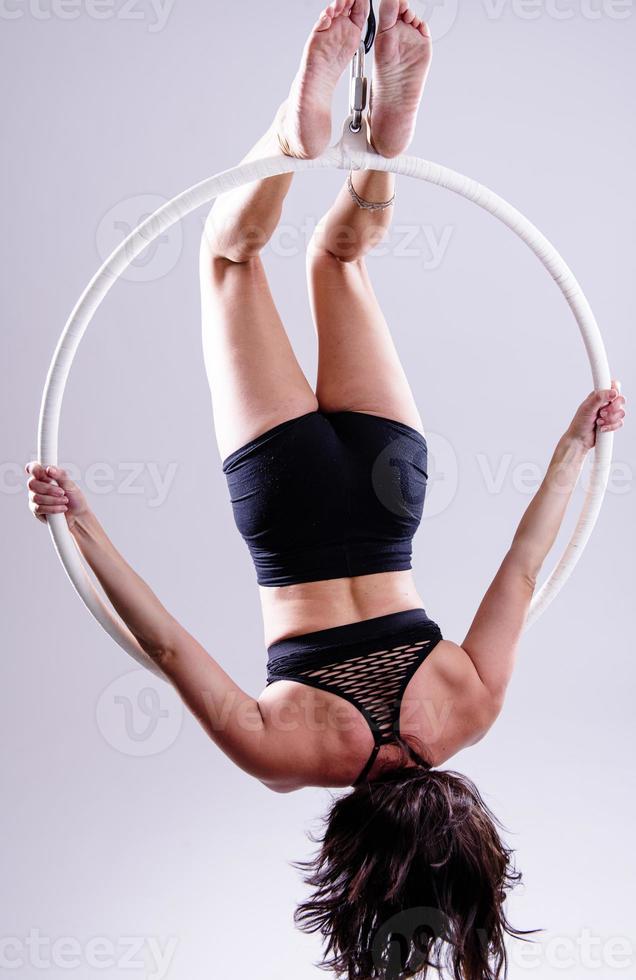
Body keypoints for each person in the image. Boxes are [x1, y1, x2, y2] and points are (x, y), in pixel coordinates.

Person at [26, 1, 626, 977]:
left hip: (392, 490)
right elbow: (166, 639)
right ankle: (288, 134)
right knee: (227, 259)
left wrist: (576, 440)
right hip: (291, 510)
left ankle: (370, 151)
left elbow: (525, 560)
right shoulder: (287, 755)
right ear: (353, 867)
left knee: (337, 255)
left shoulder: (468, 709)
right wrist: (78, 521)